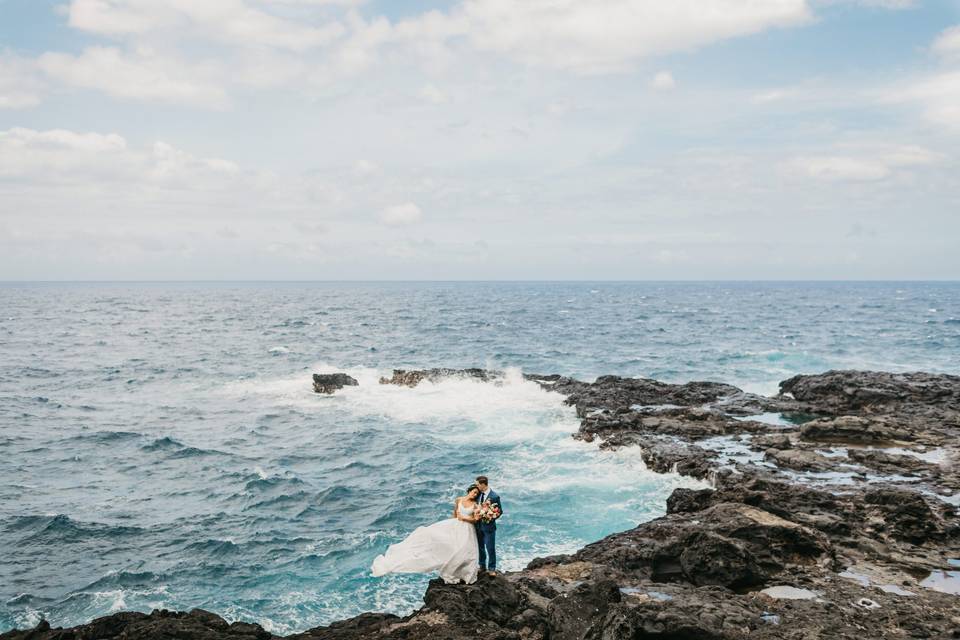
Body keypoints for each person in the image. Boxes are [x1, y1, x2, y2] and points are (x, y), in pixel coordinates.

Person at [371, 484, 480, 584]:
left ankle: (464, 574)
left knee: (464, 551)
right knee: (444, 543)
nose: (474, 494)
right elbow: (455, 514)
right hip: (455, 525)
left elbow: (475, 519)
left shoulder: (475, 505)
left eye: (476, 494)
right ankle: (451, 571)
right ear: (469, 491)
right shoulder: (459, 500)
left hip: (467, 529)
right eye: (473, 492)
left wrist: (464, 518)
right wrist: (451, 527)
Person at [474, 475, 502, 576]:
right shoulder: (478, 495)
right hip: (478, 526)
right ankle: (482, 566)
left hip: (489, 527)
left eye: (477, 484)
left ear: (483, 484)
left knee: (490, 548)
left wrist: (490, 517)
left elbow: (500, 512)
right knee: (480, 547)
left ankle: (491, 568)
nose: (476, 486)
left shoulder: (494, 496)